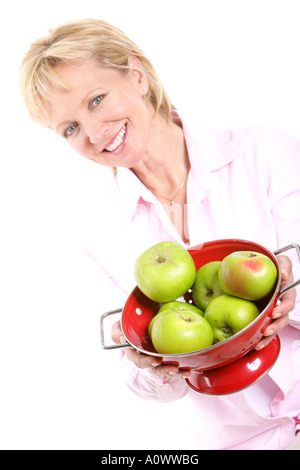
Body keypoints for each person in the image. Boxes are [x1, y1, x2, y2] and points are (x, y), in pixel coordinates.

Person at [19, 18, 300, 450]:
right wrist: (146, 362)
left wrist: (290, 284)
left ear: (136, 75)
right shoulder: (100, 231)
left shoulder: (263, 154)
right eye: (70, 129)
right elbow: (152, 388)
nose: (95, 134)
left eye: (96, 100)